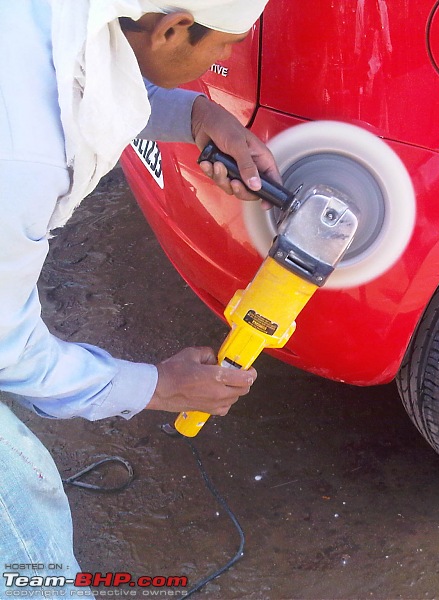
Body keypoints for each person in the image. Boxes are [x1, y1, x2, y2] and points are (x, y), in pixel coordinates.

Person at [0, 0, 276, 587]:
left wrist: (199, 115)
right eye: (225, 44)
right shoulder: (25, 159)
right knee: (24, 532)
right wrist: (156, 386)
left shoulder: (61, 23)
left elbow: (98, 77)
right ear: (173, 27)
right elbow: (8, 353)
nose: (230, 55)